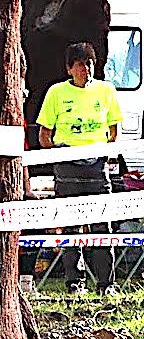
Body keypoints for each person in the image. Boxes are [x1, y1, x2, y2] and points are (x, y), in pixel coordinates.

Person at [36, 41, 123, 295]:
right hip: (67, 167)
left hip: (97, 167)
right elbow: (44, 133)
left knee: (101, 226)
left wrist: (105, 154)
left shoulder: (106, 91)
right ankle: (75, 281)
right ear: (69, 69)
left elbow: (114, 130)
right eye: (81, 65)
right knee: (71, 228)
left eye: (90, 64)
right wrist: (59, 157)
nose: (86, 70)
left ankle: (107, 283)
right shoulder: (56, 93)